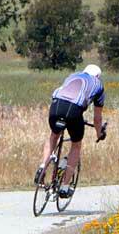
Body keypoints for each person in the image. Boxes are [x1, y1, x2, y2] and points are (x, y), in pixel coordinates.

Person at [35, 64, 106, 198]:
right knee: (76, 144)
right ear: (98, 76)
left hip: (56, 105)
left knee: (54, 136)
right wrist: (99, 134)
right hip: (74, 109)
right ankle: (65, 186)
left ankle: (42, 166)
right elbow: (97, 119)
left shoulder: (73, 75)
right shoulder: (99, 85)